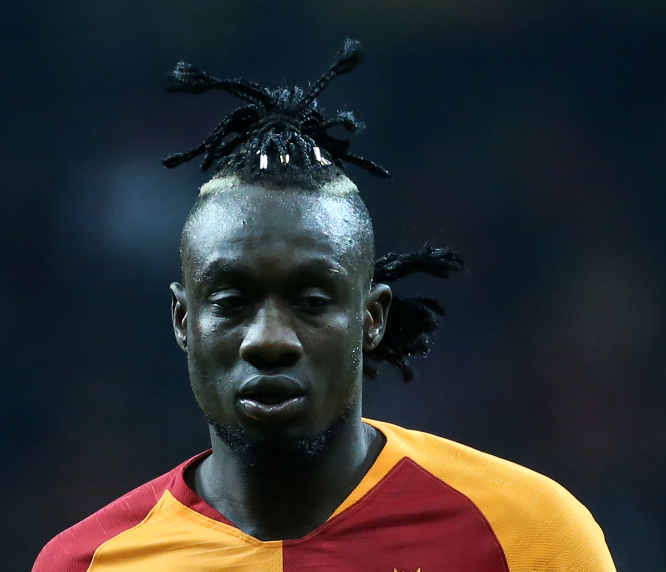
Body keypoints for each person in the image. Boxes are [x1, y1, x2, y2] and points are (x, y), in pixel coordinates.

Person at [32, 40, 616, 571]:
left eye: (311, 301)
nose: (269, 339)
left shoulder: (529, 537)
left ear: (372, 319)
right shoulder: (85, 564)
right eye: (231, 301)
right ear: (184, 321)